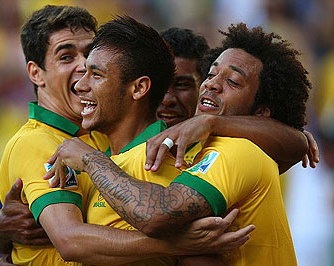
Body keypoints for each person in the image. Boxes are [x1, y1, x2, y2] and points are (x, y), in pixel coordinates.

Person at [0, 7, 251, 266]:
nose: (81, 70)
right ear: (35, 73)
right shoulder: (38, 142)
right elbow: (70, 241)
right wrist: (180, 243)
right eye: (66, 57)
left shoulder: (109, 137)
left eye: (90, 58)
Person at [45, 23, 312, 265]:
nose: (212, 85)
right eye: (210, 74)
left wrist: (91, 160)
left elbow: (159, 215)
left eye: (232, 81)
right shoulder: (184, 150)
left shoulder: (239, 150)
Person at [157, 28, 209, 127]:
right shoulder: (123, 139)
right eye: (159, 84)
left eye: (182, 85)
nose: (167, 100)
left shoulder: (224, 141)